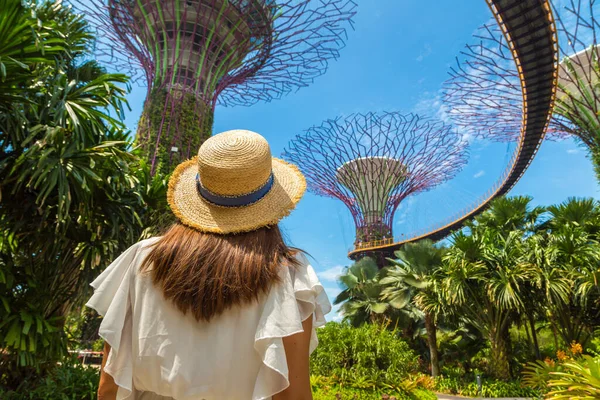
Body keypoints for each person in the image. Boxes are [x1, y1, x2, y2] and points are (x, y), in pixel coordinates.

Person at [89, 130, 330, 400]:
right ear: (271, 200)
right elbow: (293, 395)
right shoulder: (287, 272)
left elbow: (109, 383)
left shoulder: (143, 257)